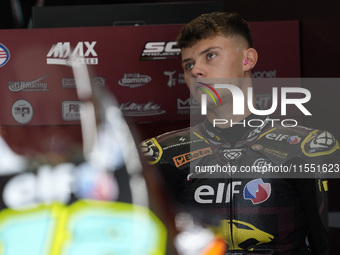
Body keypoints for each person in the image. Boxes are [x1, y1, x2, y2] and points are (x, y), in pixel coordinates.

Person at [140, 12, 340, 254]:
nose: (196, 71)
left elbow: (328, 244)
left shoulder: (304, 148)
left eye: (210, 56)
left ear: (248, 60)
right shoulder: (163, 154)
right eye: (188, 64)